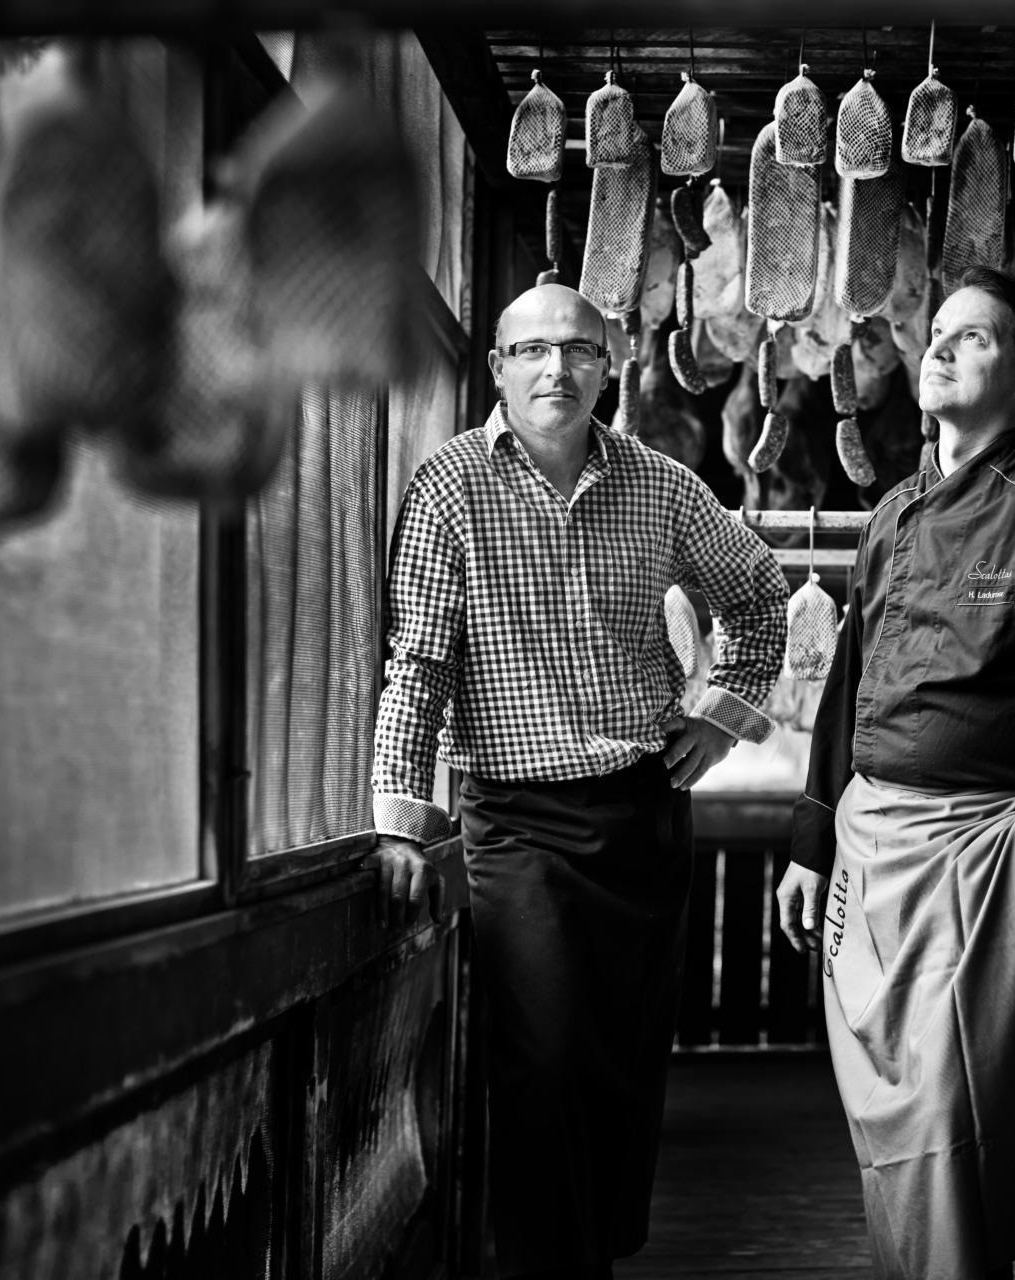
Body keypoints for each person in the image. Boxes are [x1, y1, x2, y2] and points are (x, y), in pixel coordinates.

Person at [370, 283, 789, 1280]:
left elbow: (762, 600)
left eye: (577, 350)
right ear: (499, 368)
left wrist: (718, 723)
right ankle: (555, 1264)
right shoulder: (447, 484)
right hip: (513, 821)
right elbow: (418, 660)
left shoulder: (664, 484)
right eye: (531, 350)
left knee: (622, 1062)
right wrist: (396, 817)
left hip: (641, 811)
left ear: (609, 367)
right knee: (543, 1056)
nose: (555, 368)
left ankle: (594, 1245)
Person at [775, 267, 1015, 1279]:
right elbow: (847, 688)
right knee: (886, 1114)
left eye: (972, 337)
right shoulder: (892, 515)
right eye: (936, 331)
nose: (935, 348)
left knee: (951, 1100)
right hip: (868, 843)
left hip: (976, 849)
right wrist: (813, 841)